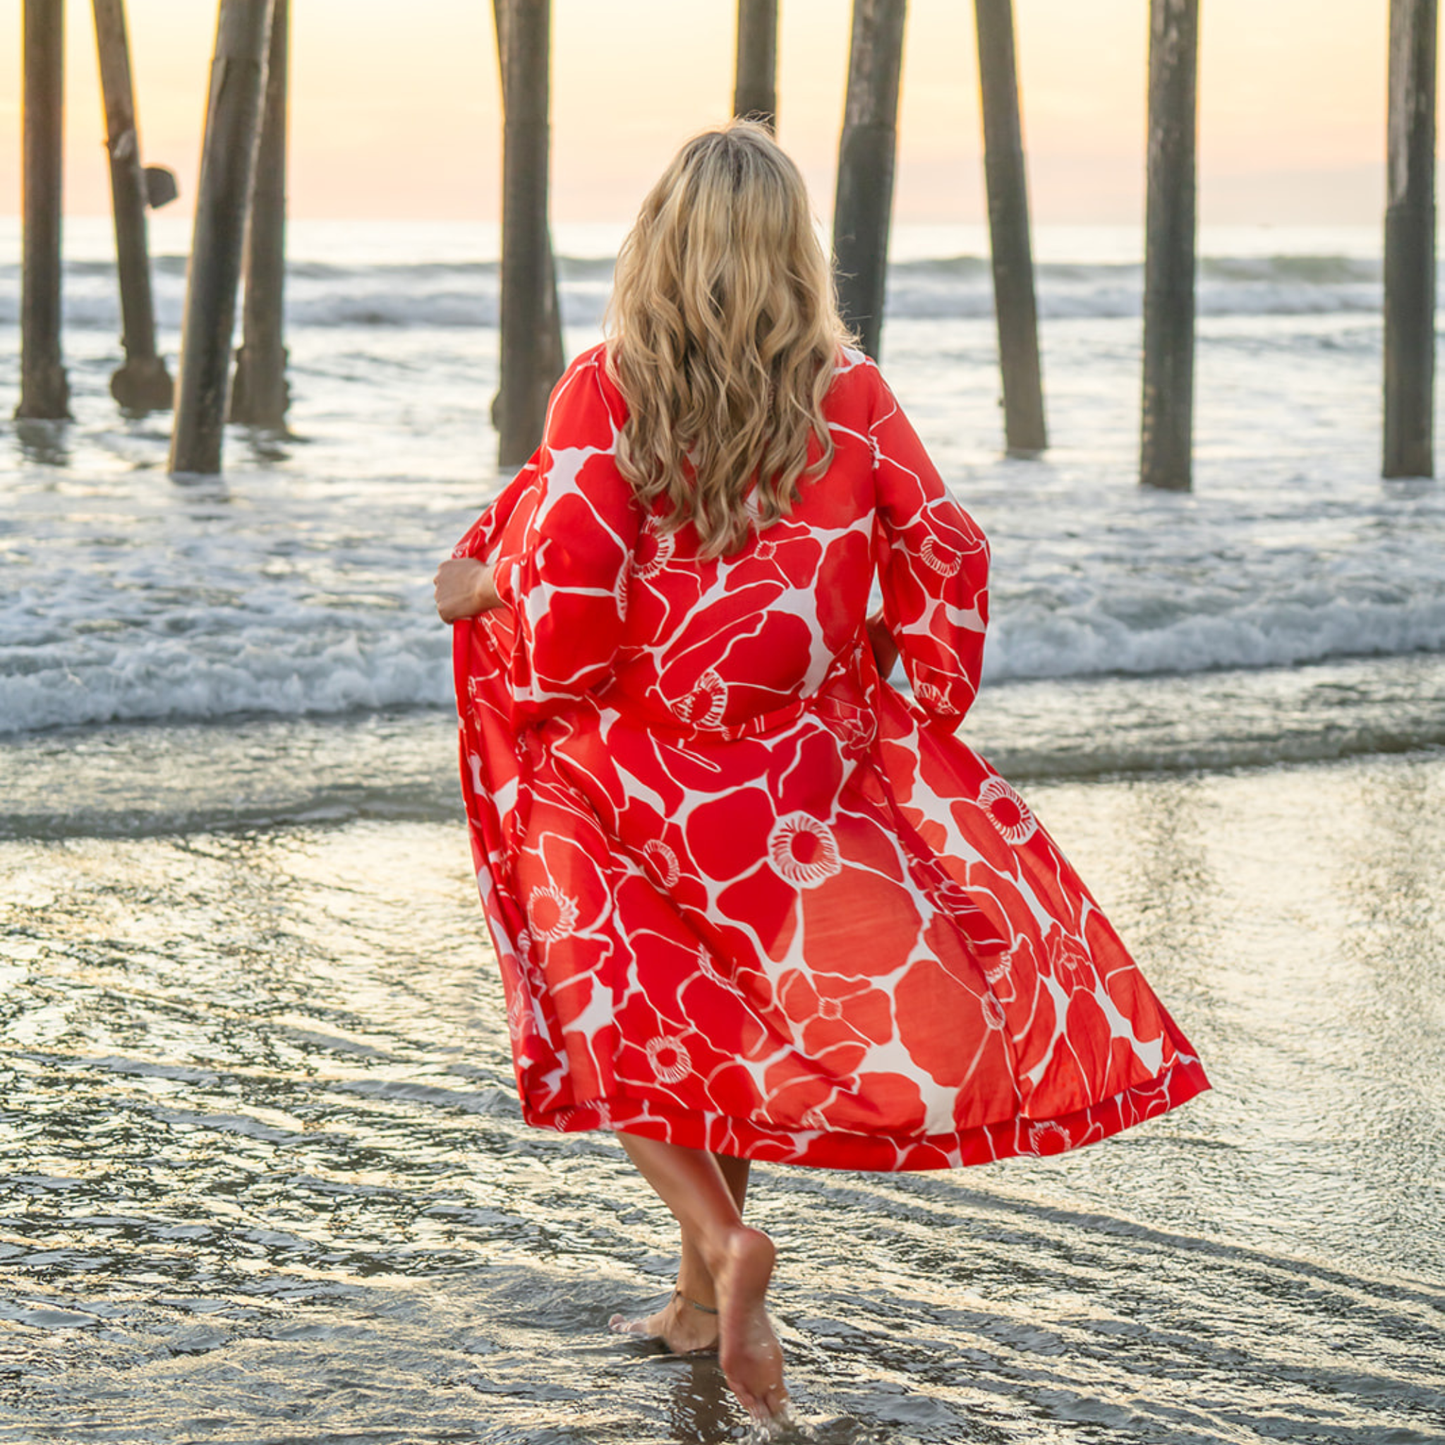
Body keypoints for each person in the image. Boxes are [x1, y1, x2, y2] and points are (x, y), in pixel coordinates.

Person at [434, 120, 1209, 1425]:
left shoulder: (604, 384)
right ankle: (693, 1303)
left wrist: (482, 590)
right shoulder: (849, 390)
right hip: (793, 770)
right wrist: (918, 702)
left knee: (614, 1022)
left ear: (658, 242)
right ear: (795, 249)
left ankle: (726, 1251)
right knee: (729, 1027)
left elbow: (568, 601)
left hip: (630, 762)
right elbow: (948, 545)